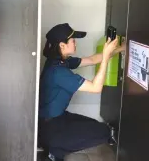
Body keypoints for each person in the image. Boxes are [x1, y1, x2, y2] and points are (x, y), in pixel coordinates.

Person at [38, 23, 125, 160]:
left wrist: (119, 49)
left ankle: (56, 145)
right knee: (103, 132)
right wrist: (106, 58)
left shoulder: (60, 61)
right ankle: (54, 150)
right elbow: (96, 88)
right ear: (62, 45)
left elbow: (92, 59)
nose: (75, 43)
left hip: (59, 118)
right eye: (73, 41)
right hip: (51, 128)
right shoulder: (58, 72)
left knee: (99, 127)